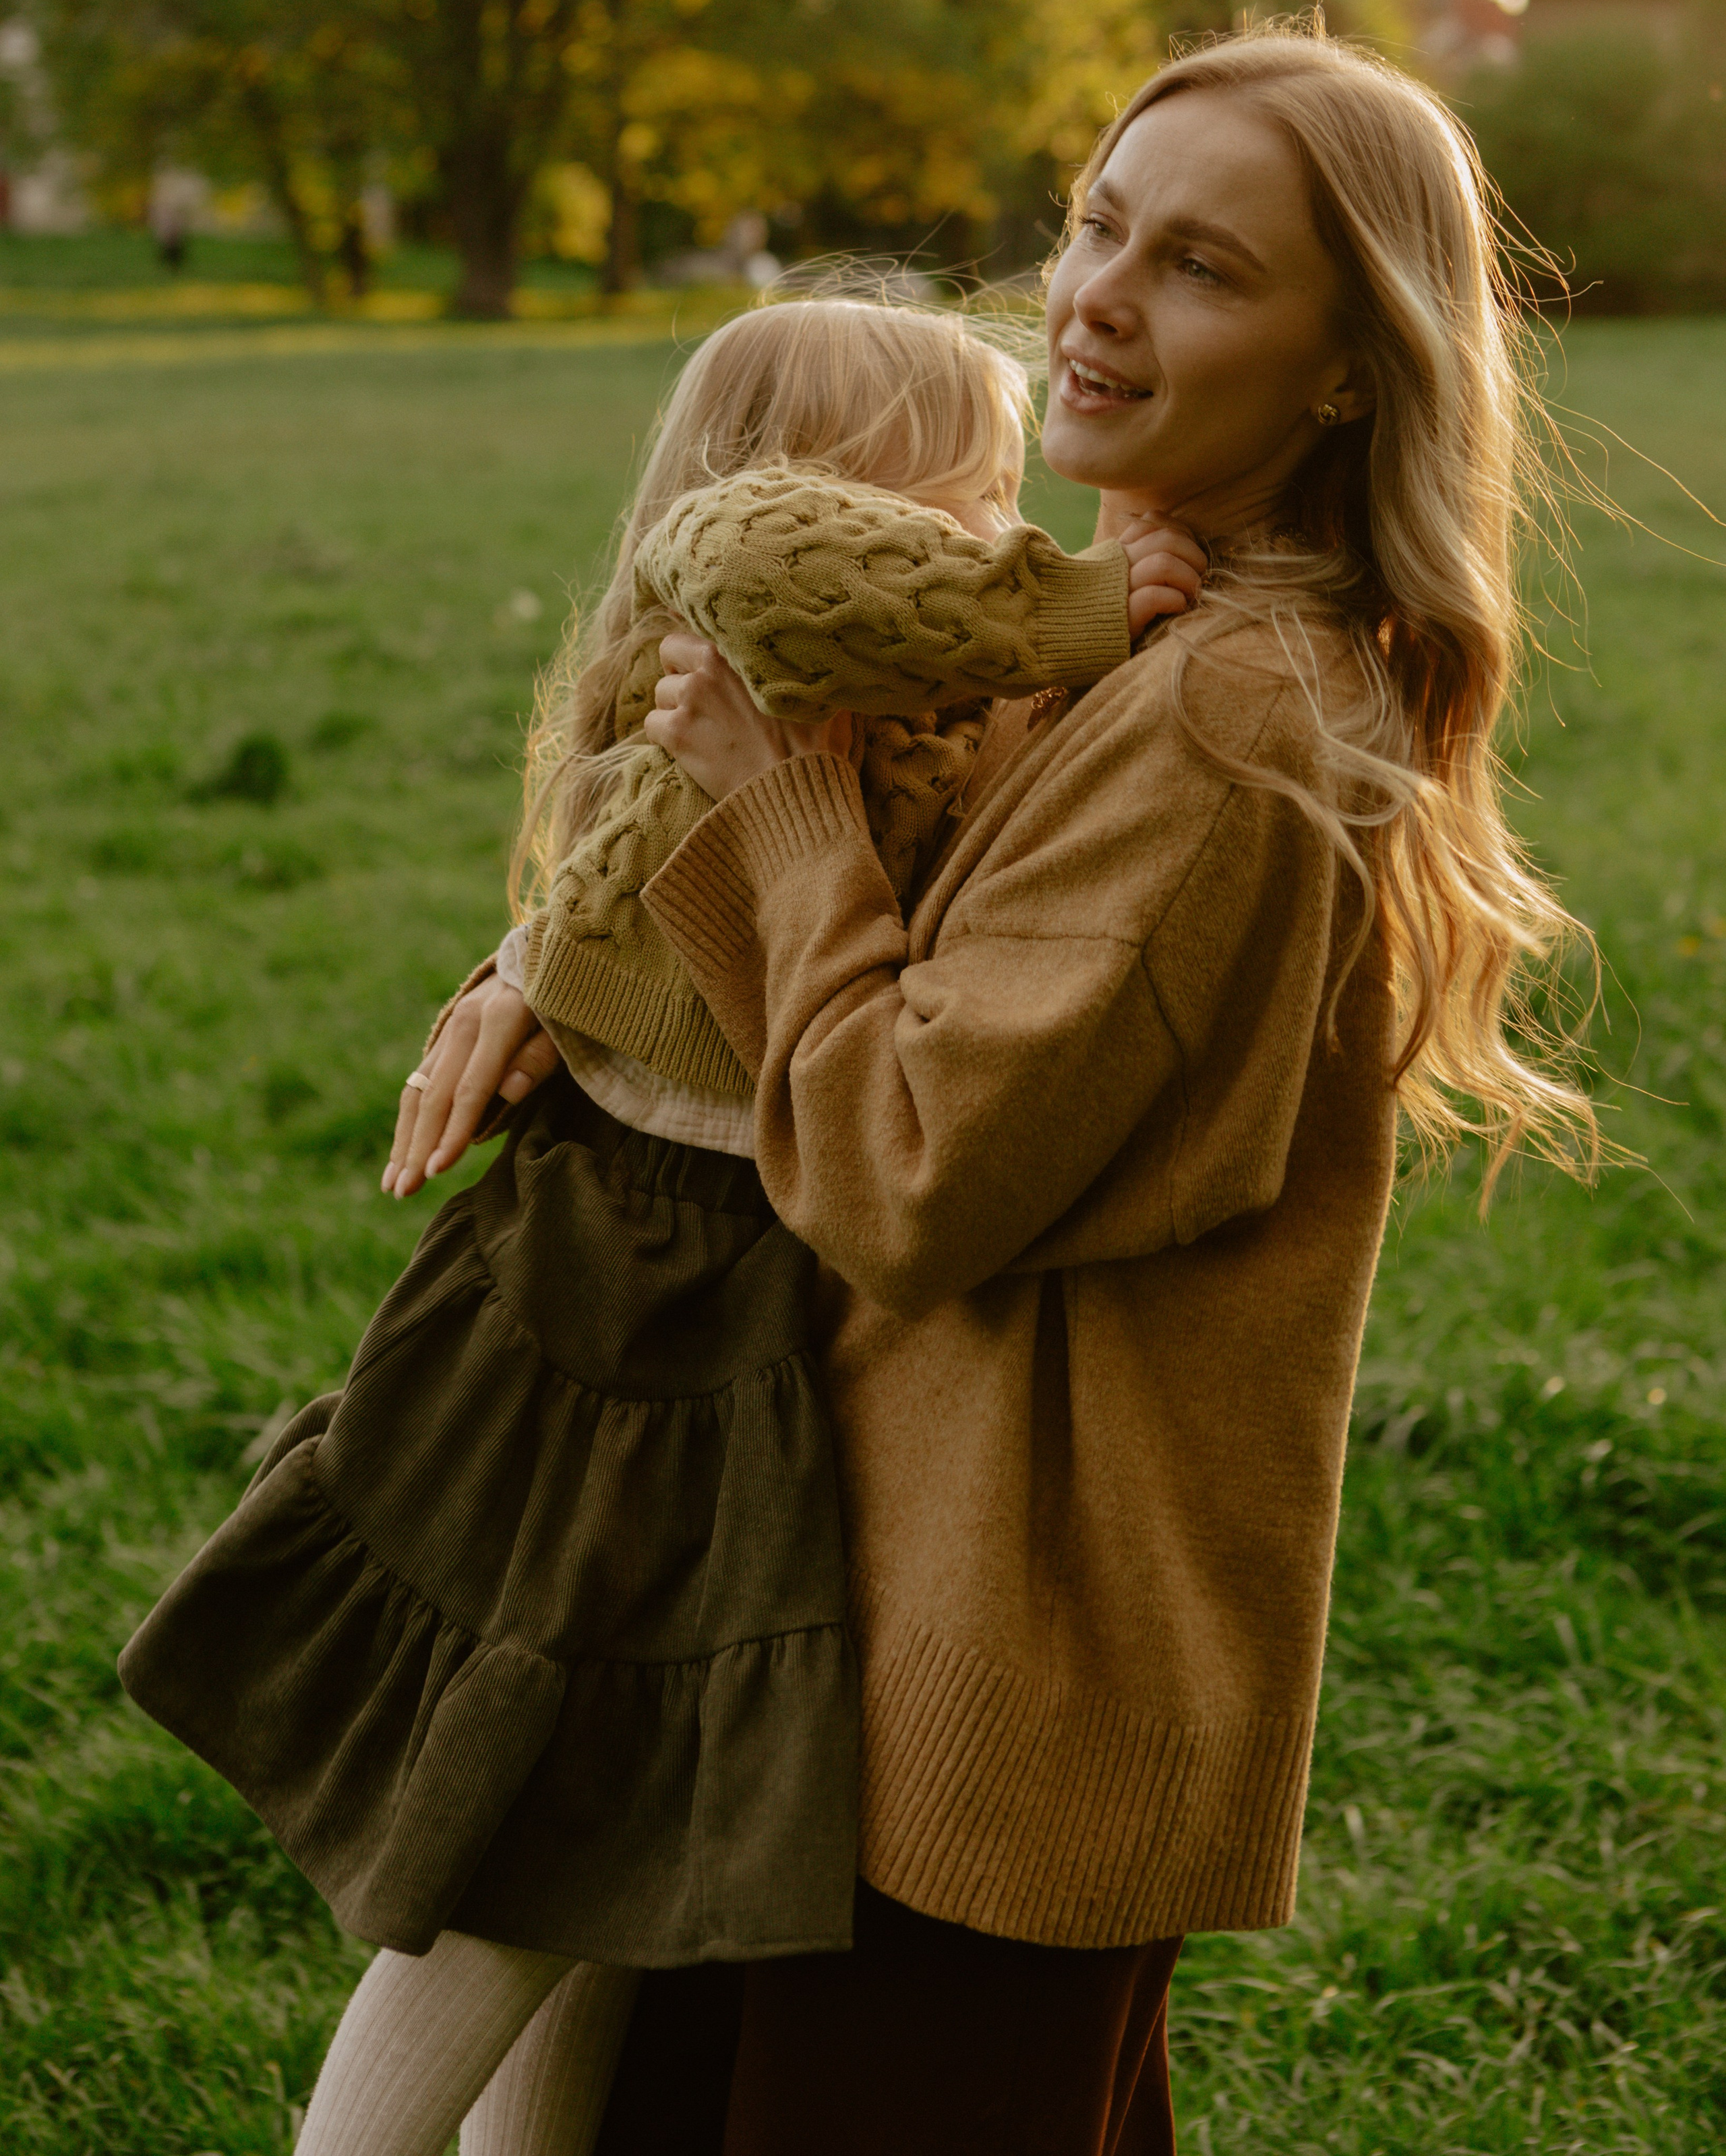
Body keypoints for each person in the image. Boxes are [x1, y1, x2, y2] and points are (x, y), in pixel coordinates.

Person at [399, 20, 1605, 2153]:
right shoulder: (1136, 633)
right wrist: (541, 975)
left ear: (1352, 369)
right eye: (1099, 226)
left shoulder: (1228, 715)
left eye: (1206, 268)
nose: (1101, 299)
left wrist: (789, 823)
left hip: (1000, 1696)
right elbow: (892, 935)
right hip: (877, 1624)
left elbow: (907, 1171)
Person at [117, 296, 1201, 2156]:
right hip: (630, 1323)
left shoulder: (858, 716)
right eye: (955, 497)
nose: (992, 539)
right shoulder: (751, 622)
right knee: (535, 1842)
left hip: (708, 1327)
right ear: (811, 499)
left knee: (616, 1842)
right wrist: (1086, 608)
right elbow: (811, 585)